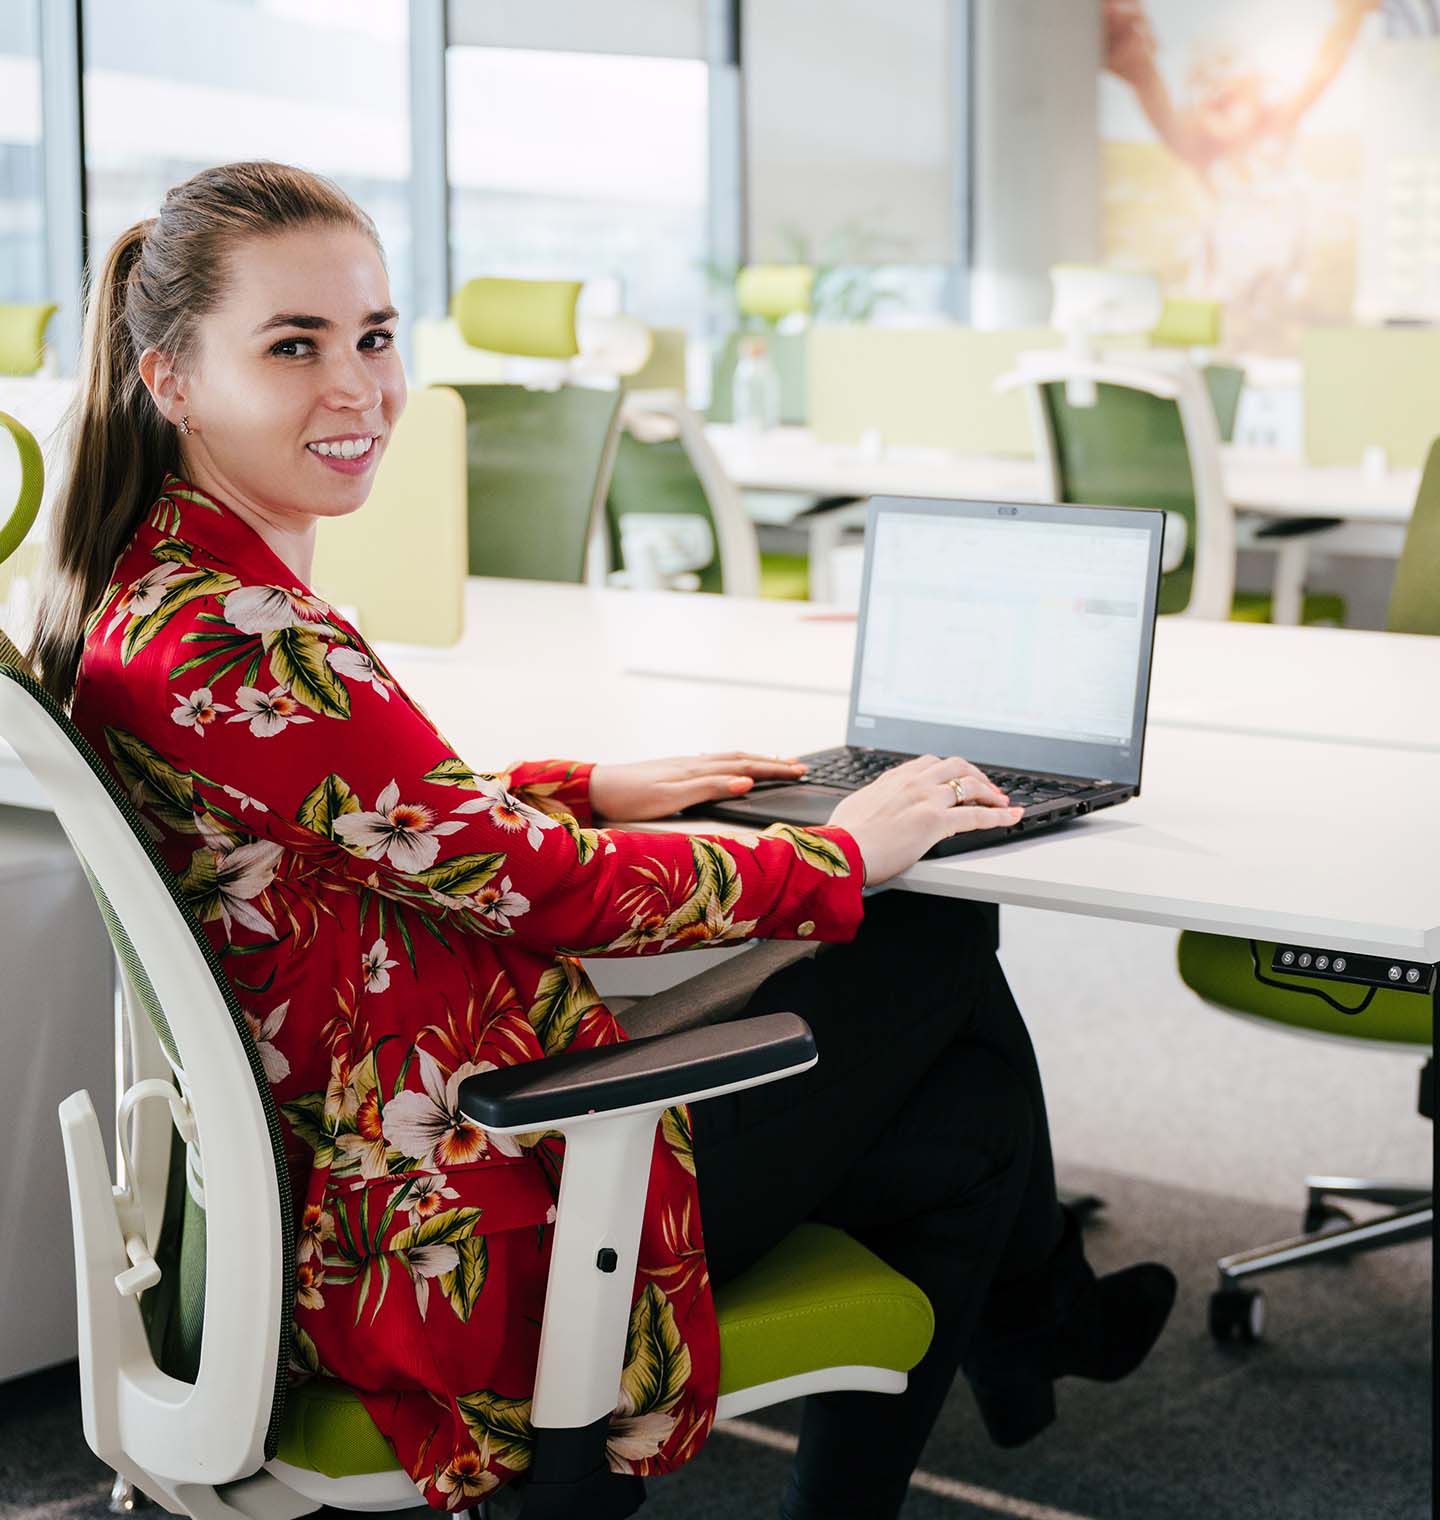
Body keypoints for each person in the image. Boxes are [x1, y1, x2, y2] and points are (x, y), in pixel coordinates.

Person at [36, 161, 1175, 1517]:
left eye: (376, 336)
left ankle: (1039, 1321)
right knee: (932, 949)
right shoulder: (242, 634)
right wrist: (838, 851)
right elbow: (539, 896)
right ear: (169, 378)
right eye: (295, 346)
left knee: (958, 1109)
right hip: (461, 1200)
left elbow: (349, 821)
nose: (358, 388)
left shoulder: (169, 586)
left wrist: (587, 785)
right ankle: (1037, 1321)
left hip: (364, 1157)